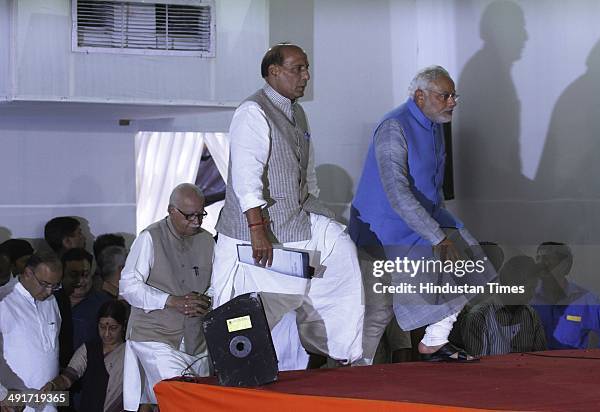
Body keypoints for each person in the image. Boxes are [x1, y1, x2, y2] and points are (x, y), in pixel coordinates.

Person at [211, 43, 364, 366]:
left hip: (294, 218)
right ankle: (230, 377)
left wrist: (320, 210)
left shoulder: (297, 112)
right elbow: (245, 177)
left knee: (342, 249)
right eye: (298, 68)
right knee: (237, 316)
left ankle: (343, 353)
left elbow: (304, 172)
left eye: (306, 68)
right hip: (249, 231)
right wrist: (257, 229)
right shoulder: (252, 111)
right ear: (274, 72)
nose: (306, 76)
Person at [350, 65, 494, 363]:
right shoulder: (394, 127)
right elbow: (397, 192)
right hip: (384, 231)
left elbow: (431, 185)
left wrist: (443, 227)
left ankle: (436, 340)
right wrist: (438, 236)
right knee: (378, 312)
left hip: (422, 222)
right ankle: (356, 368)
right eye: (445, 95)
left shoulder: (435, 124)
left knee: (473, 265)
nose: (452, 101)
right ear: (419, 96)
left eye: (454, 95)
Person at [119, 183, 214, 411]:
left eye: (201, 214)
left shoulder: (208, 240)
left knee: (199, 402)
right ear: (171, 210)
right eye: (189, 215)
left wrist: (207, 300)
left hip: (195, 338)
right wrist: (170, 301)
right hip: (156, 337)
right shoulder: (150, 237)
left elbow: (216, 284)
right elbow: (128, 286)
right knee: (180, 399)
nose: (197, 221)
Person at [0, 252, 63, 412]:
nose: (50, 291)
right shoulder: (4, 301)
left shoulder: (51, 301)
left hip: (49, 404)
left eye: (55, 285)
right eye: (45, 284)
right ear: (28, 273)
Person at [43, 300, 127, 412]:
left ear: (123, 326)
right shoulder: (88, 349)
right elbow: (69, 376)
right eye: (102, 327)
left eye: (113, 328)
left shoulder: (130, 354)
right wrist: (53, 385)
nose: (106, 334)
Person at [460, 255, 546, 356]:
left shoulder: (531, 315)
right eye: (530, 288)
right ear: (512, 285)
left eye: (534, 288)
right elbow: (477, 366)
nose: (532, 294)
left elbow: (542, 358)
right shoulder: (479, 316)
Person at [531, 242, 600, 349]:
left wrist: (598, 359)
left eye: (546, 258)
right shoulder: (527, 299)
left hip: (575, 364)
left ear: (565, 265)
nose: (540, 264)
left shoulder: (587, 300)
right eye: (538, 258)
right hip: (533, 364)